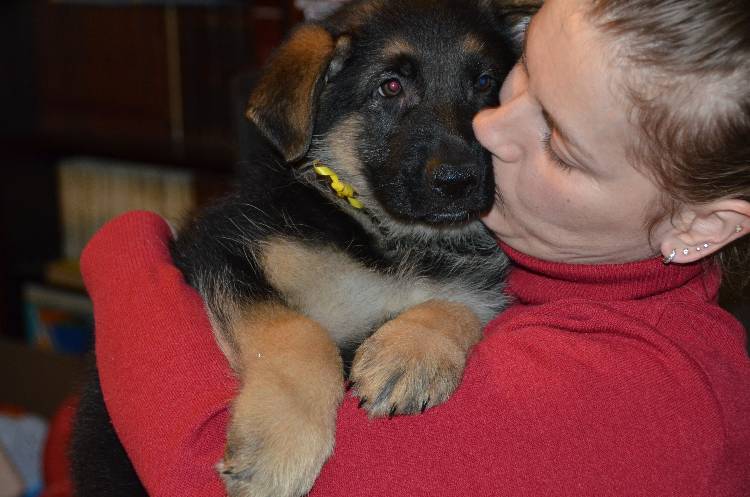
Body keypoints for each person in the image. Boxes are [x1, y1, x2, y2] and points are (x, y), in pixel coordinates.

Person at [81, 0, 750, 495]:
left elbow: (201, 474)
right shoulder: (556, 262)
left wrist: (126, 258)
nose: (485, 131)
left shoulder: (629, 394)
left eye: (561, 145)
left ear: (700, 226)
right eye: (516, 84)